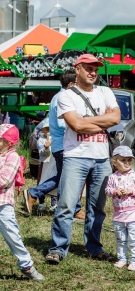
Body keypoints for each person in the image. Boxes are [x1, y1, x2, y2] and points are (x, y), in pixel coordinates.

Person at [45, 53, 121, 264]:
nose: (93, 71)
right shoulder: (66, 96)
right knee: (67, 205)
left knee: (97, 207)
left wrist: (88, 120)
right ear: (77, 69)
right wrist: (102, 121)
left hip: (101, 158)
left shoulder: (105, 91)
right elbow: (75, 125)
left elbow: (115, 118)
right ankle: (58, 249)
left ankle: (94, 248)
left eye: (95, 68)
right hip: (75, 157)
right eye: (88, 68)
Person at [0, 124, 44, 283]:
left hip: (2, 205)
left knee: (12, 236)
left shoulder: (13, 157)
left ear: (8, 141)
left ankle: (27, 266)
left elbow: (4, 180)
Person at [24, 71, 85, 218]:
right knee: (68, 176)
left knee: (63, 177)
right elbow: (61, 123)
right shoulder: (62, 99)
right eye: (76, 83)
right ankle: (35, 193)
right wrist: (80, 124)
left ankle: (73, 207)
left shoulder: (59, 97)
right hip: (63, 144)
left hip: (61, 144)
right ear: (71, 84)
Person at [105, 146, 135, 271]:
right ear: (115, 162)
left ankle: (133, 260)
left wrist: (130, 190)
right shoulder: (113, 177)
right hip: (118, 215)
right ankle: (122, 258)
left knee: (133, 238)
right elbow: (107, 190)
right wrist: (115, 191)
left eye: (129, 160)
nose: (127, 163)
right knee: (121, 238)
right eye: (123, 160)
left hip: (132, 213)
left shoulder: (133, 175)